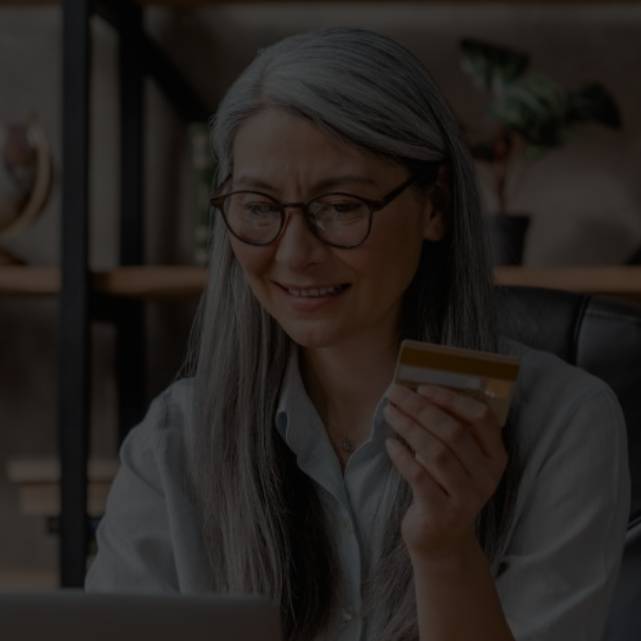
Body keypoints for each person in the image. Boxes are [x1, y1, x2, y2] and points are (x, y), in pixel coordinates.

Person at [85, 26, 630, 641]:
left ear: (435, 205)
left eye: (341, 206)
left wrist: (445, 547)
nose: (295, 256)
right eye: (260, 207)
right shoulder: (173, 441)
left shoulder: (565, 423)